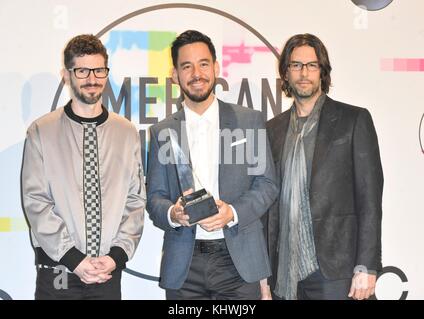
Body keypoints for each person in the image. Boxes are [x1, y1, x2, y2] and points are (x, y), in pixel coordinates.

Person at [146, 30, 278, 300]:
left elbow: (267, 184)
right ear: (175, 75)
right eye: (187, 66)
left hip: (238, 262)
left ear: (216, 68)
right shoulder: (163, 131)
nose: (197, 73)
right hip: (185, 264)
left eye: (203, 63)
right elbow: (154, 198)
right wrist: (174, 213)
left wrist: (233, 212)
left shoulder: (248, 120)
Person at [21, 34, 146, 300]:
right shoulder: (42, 131)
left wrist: (116, 257)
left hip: (107, 272)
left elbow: (135, 201)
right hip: (58, 271)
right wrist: (74, 259)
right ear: (66, 75)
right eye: (82, 70)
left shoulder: (126, 132)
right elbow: (36, 202)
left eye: (99, 70)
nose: (92, 78)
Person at [263, 33, 383, 300]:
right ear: (285, 72)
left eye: (312, 65)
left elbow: (370, 200)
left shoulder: (353, 121)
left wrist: (367, 265)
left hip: (336, 271)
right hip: (284, 272)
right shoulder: (272, 130)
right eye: (295, 65)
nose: (303, 73)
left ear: (322, 71)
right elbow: (267, 207)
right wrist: (263, 277)